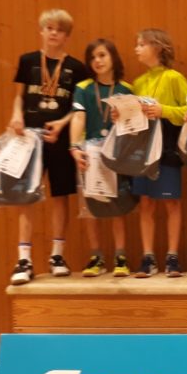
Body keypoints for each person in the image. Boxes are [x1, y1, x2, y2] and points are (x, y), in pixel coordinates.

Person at [8, 8, 88, 285]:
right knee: (26, 195)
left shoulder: (77, 68)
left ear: (67, 36)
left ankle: (57, 255)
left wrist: (64, 123)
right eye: (49, 28)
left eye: (60, 30)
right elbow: (19, 98)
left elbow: (79, 107)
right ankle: (24, 259)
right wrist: (16, 116)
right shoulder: (28, 61)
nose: (54, 33)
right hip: (29, 137)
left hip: (59, 139)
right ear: (41, 30)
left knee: (60, 196)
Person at [129, 28, 187, 277]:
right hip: (144, 148)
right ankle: (148, 257)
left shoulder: (175, 78)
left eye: (141, 44)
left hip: (167, 145)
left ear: (157, 47)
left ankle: (172, 257)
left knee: (171, 202)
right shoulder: (138, 83)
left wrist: (163, 110)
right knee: (145, 203)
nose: (137, 49)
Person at [69, 39, 133, 278]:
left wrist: (122, 119)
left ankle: (121, 256)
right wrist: (75, 148)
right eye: (93, 57)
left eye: (102, 55)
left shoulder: (127, 89)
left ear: (113, 57)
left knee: (117, 206)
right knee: (91, 207)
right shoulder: (84, 88)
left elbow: (134, 126)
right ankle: (96, 257)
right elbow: (78, 118)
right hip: (90, 153)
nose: (97, 60)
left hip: (116, 154)